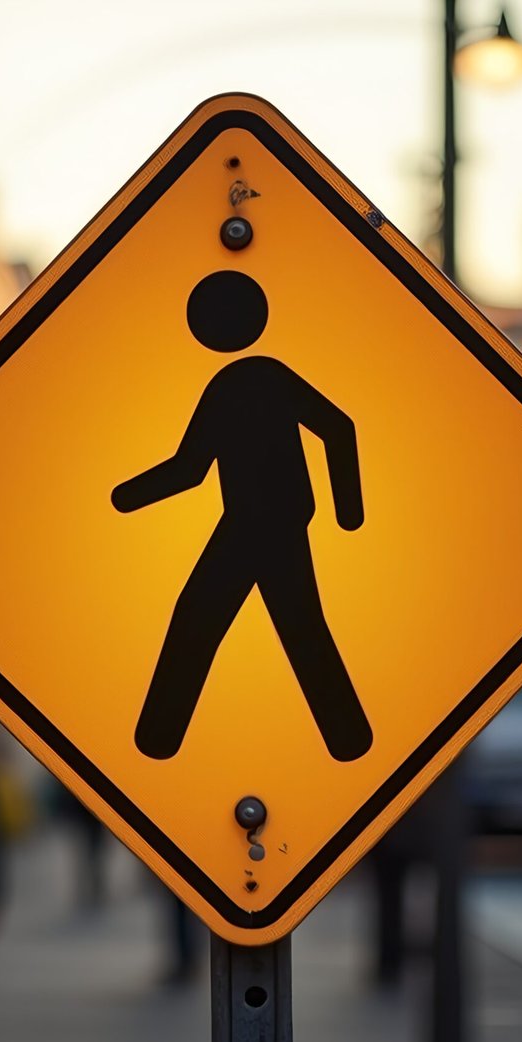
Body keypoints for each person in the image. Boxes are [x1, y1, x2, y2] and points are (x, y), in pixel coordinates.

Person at [113, 270, 372, 763]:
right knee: (294, 624)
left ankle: (157, 740)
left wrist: (351, 514)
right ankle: (348, 739)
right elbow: (192, 469)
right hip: (266, 521)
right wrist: (125, 496)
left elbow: (338, 428)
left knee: (206, 616)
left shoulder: (245, 380)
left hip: (261, 524)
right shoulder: (250, 379)